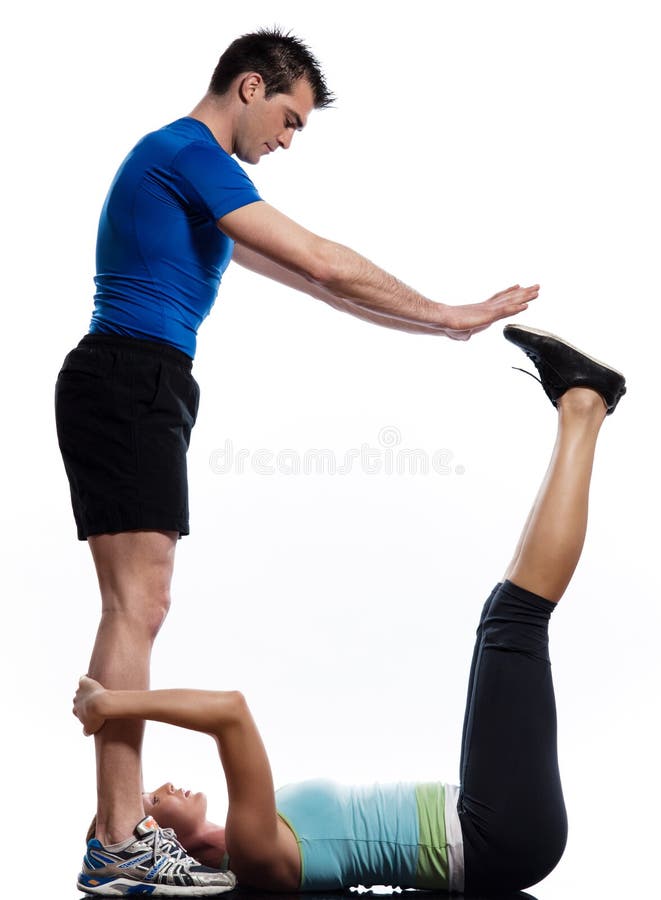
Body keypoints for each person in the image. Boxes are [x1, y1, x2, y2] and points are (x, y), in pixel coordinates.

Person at [55, 25, 539, 888]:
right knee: (137, 606)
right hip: (127, 377)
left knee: (143, 605)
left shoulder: (198, 185)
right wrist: (451, 311)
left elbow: (319, 282)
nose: (285, 141)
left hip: (144, 380)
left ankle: (118, 837)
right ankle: (120, 840)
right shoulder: (188, 154)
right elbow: (324, 257)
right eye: (288, 119)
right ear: (249, 86)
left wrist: (437, 325)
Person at [72, 327, 626, 896]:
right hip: (493, 836)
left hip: (481, 819)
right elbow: (229, 713)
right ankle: (583, 405)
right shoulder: (255, 854)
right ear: (168, 849)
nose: (159, 787)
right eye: (148, 807)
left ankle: (577, 408)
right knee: (514, 621)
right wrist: (109, 701)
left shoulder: (254, 834)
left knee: (502, 618)